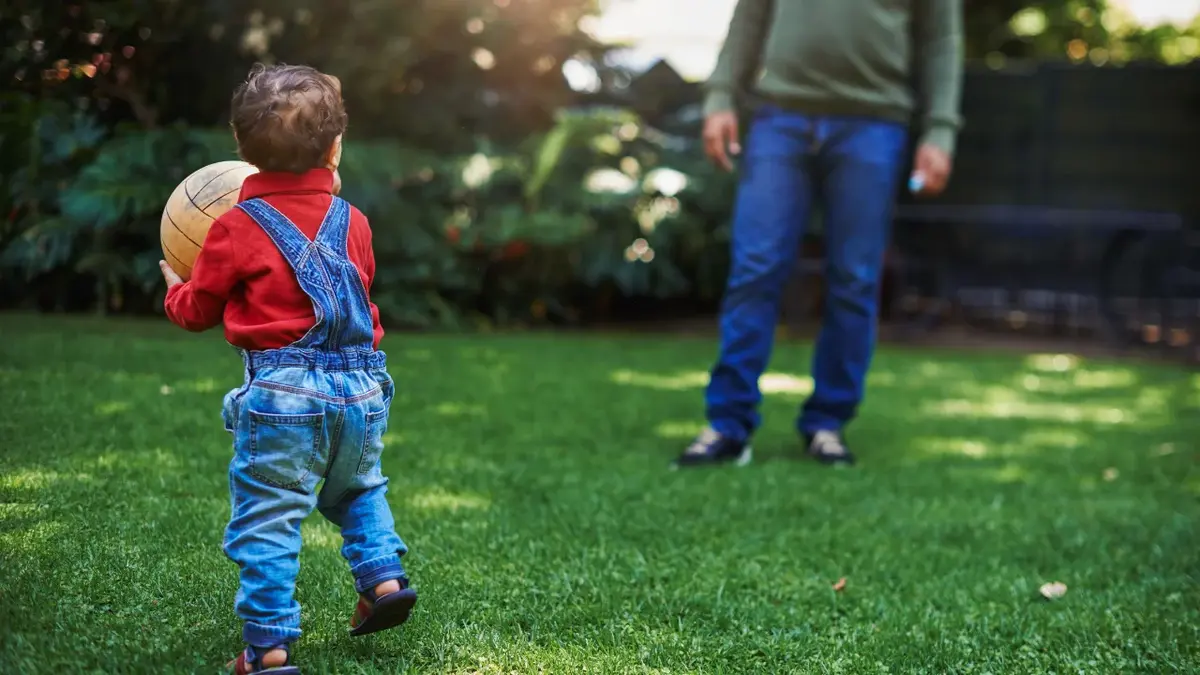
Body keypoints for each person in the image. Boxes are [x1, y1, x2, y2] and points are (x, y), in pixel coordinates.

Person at [160, 64, 416, 674]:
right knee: (359, 489)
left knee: (269, 520)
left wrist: (177, 287)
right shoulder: (354, 221)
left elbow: (199, 312)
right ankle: (382, 582)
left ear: (242, 150)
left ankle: (268, 649)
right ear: (335, 149)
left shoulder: (233, 227)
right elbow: (356, 294)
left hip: (283, 397)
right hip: (361, 389)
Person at [674, 0, 963, 468]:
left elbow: (941, 42)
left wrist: (941, 131)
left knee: (855, 279)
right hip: (778, 116)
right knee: (755, 267)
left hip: (874, 123)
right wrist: (721, 95)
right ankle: (727, 424)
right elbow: (750, 16)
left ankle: (828, 423)